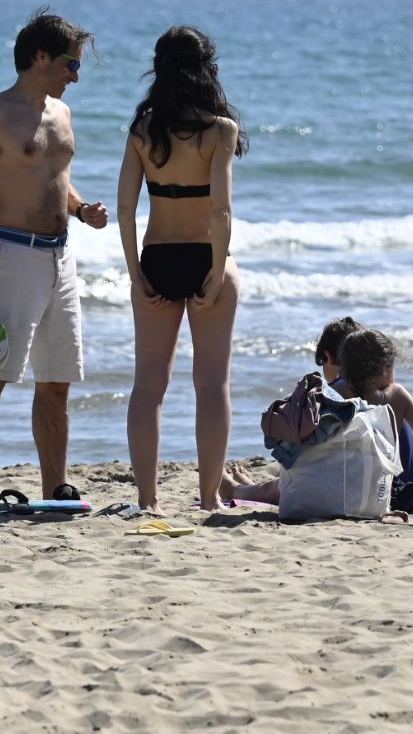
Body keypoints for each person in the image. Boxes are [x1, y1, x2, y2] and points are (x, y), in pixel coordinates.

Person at [0, 8, 108, 501]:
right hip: (10, 255)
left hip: (60, 258)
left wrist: (81, 210)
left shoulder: (61, 113)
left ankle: (54, 487)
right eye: (70, 64)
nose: (75, 75)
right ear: (41, 56)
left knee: (57, 379)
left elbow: (57, 179)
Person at [119, 26, 246, 511]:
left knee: (149, 386)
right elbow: (220, 212)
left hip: (158, 258)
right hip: (204, 257)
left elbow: (126, 210)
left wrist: (136, 274)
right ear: (206, 67)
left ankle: (147, 498)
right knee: (212, 384)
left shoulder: (143, 128)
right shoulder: (220, 130)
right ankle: (209, 497)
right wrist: (215, 275)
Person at [222, 327, 413, 505]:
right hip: (405, 489)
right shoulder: (396, 395)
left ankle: (238, 489)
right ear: (386, 366)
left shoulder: (332, 395)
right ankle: (246, 489)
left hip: (358, 486)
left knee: (290, 486)